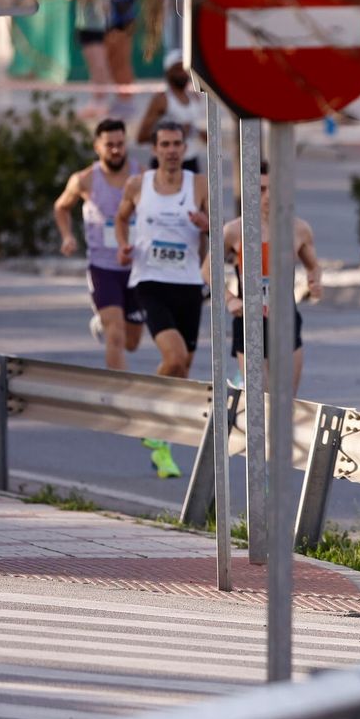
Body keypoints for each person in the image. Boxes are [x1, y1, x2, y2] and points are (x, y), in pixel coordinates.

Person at [115, 121, 212, 479]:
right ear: (154, 149)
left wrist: (205, 222)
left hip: (187, 283)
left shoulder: (198, 184)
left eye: (177, 144)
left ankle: (163, 449)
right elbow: (121, 218)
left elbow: (223, 229)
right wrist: (124, 247)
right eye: (165, 144)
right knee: (172, 357)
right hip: (150, 280)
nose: (171, 150)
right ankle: (148, 417)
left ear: (185, 149)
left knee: (183, 369)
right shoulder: (138, 184)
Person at [221, 160, 323, 395]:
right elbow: (208, 270)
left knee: (286, 403)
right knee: (262, 401)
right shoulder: (235, 231)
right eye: (260, 189)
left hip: (286, 321)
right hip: (249, 322)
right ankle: (243, 388)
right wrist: (229, 299)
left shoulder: (298, 229)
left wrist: (315, 282)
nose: (267, 196)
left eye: (272, 189)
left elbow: (313, 266)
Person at [53, 118, 145, 370]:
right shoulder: (84, 180)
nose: (115, 150)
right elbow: (61, 207)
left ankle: (101, 322)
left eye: (120, 144)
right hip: (103, 267)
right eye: (109, 145)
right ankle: (121, 397)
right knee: (115, 334)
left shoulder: (143, 176)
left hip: (137, 268)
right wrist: (67, 236)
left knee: (132, 341)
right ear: (97, 147)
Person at [136, 50, 206, 174]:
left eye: (185, 69)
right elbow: (141, 136)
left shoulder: (194, 98)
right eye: (177, 69)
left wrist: (200, 133)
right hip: (164, 162)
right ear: (168, 72)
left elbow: (202, 134)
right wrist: (172, 134)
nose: (182, 74)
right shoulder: (161, 100)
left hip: (190, 161)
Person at [72, 0, 115, 117]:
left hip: (93, 21)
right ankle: (96, 100)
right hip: (87, 21)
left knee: (98, 62)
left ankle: (101, 100)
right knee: (93, 63)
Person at [104, 0, 139, 117]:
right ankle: (120, 96)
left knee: (122, 62)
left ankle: (127, 99)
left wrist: (121, 17)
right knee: (112, 62)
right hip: (111, 21)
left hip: (123, 21)